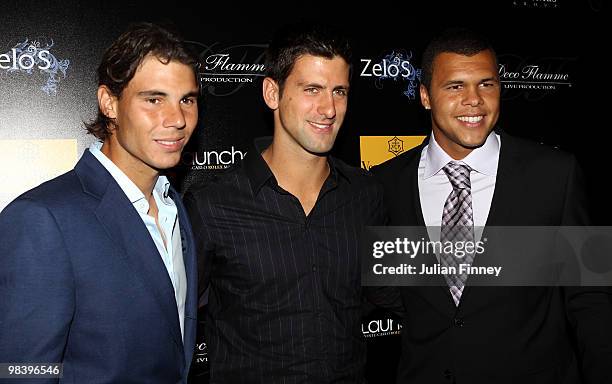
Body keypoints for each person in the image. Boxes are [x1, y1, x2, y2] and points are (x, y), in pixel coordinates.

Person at [369, 28, 612, 383]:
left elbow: (591, 298)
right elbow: (385, 291)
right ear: (424, 95)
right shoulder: (384, 184)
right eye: (455, 87)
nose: (475, 100)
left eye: (487, 84)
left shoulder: (555, 175)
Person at [184, 22, 384, 383]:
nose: (328, 108)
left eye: (339, 91)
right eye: (312, 89)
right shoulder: (213, 205)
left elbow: (409, 300)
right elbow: (171, 319)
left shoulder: (366, 196)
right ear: (272, 93)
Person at [0, 22, 200, 383]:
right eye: (154, 99)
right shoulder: (43, 218)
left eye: (187, 99)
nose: (177, 119)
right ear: (110, 103)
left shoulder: (175, 208)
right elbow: (22, 372)